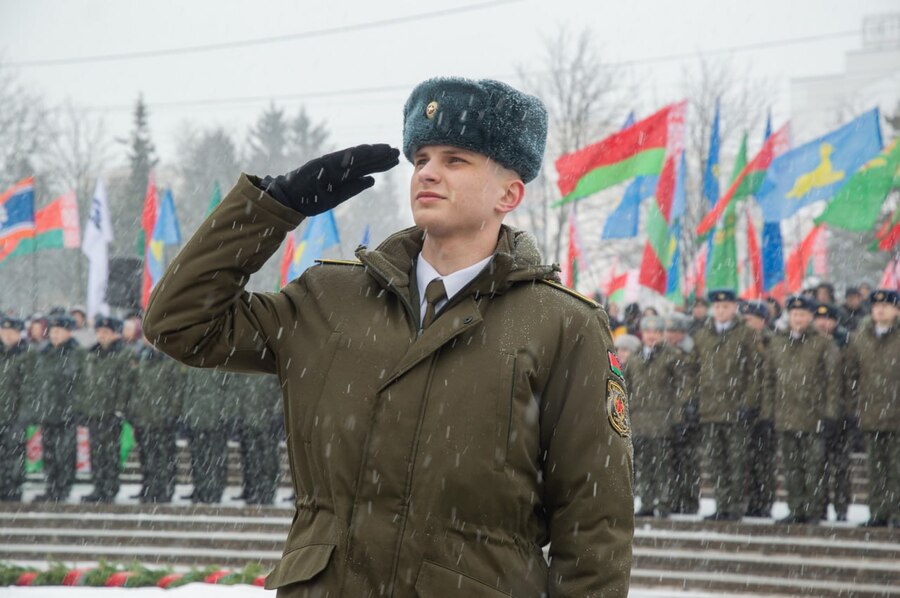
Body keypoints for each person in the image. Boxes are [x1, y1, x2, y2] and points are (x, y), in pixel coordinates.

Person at [144, 76, 634, 596]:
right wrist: (272, 207)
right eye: (421, 159)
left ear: (508, 194)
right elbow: (179, 323)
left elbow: (594, 521)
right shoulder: (331, 298)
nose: (428, 173)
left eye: (455, 160)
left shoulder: (561, 325)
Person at [770, 296, 839, 525]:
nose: (798, 318)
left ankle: (814, 509)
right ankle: (796, 508)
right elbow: (769, 379)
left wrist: (831, 413)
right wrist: (769, 412)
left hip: (813, 415)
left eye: (802, 314)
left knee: (814, 467)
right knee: (792, 467)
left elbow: (833, 381)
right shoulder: (778, 342)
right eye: (794, 314)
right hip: (786, 414)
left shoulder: (823, 343)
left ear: (810, 317)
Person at [691, 289, 759, 521]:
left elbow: (754, 371)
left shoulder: (746, 334)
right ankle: (721, 503)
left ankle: (735, 505)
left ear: (734, 308)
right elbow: (693, 369)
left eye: (726, 307)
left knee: (737, 460)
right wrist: (692, 400)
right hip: (709, 408)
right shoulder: (702, 335)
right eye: (717, 307)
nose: (721, 311)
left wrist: (748, 401)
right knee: (716, 460)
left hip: (735, 407)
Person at [844, 289, 899, 528]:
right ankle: (878, 511)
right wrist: (856, 405)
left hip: (897, 415)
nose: (880, 310)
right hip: (871, 414)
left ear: (896, 310)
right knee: (876, 468)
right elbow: (851, 374)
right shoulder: (861, 338)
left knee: (896, 468)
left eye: (886, 306)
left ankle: (897, 512)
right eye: (876, 306)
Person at [626, 316, 686, 518]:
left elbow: (680, 388)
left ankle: (664, 502)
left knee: (662, 465)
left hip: (662, 418)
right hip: (638, 419)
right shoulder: (634, 358)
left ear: (662, 334)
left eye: (656, 332)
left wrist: (677, 416)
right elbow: (626, 387)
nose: (651, 336)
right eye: (647, 331)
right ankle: (647, 501)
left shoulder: (672, 356)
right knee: (644, 465)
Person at [74, 316, 133, 503]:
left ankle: (110, 487)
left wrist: (119, 410)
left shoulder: (123, 354)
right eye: (99, 331)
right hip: (94, 411)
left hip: (110, 412)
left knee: (110, 452)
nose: (102, 335)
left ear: (115, 334)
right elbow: (85, 384)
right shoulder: (91, 354)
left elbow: (124, 384)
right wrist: (83, 408)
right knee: (96, 452)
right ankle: (98, 486)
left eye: (106, 332)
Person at [28, 315, 83, 502]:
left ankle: (63, 488)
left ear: (68, 332)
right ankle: (51, 487)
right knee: (49, 453)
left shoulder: (76, 353)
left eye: (59, 331)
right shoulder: (45, 353)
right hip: (48, 411)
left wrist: (75, 407)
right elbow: (37, 382)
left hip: (67, 412)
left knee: (65, 453)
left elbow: (79, 383)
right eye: (52, 331)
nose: (55, 334)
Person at [128, 335, 185, 503]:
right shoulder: (142, 359)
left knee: (164, 456)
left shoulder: (170, 360)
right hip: (144, 417)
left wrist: (173, 413)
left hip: (162, 417)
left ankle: (165, 488)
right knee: (146, 455)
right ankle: (148, 487)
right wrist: (133, 411)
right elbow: (135, 388)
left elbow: (177, 390)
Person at [813, 302, 854, 521]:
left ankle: (841, 508)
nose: (823, 323)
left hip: (843, 412)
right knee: (817, 465)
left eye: (828, 319)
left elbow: (851, 378)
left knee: (840, 466)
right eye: (819, 319)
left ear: (836, 322)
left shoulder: (846, 343)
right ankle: (818, 506)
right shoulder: (809, 343)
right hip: (816, 413)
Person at [739, 301, 776, 518]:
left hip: (766, 409)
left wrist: (766, 411)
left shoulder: (773, 342)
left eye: (749, 320)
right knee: (747, 460)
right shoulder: (740, 341)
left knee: (764, 460)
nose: (745, 324)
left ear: (762, 321)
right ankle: (752, 501)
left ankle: (764, 502)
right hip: (745, 408)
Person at [664, 312, 700, 514]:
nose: (670, 335)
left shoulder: (692, 352)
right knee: (672, 461)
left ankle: (689, 500)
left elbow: (692, 382)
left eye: (675, 331)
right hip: (668, 412)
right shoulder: (665, 352)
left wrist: (690, 405)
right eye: (668, 330)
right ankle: (675, 499)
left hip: (687, 412)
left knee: (688, 461)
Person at [0, 317, 30, 501]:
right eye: (4, 331)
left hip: (15, 414)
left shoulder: (26, 355)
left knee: (14, 452)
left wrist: (23, 415)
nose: (7, 335)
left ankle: (13, 487)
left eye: (12, 332)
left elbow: (28, 389)